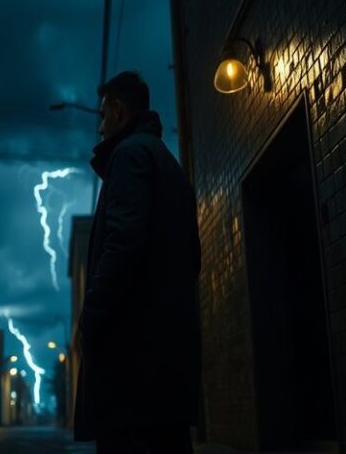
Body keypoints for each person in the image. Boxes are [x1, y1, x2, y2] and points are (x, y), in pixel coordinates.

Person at [74, 71, 202, 454]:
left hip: (132, 367)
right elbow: (192, 257)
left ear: (117, 109)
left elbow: (122, 244)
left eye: (103, 115)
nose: (100, 128)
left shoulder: (129, 156)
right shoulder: (165, 161)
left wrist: (91, 317)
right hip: (165, 362)